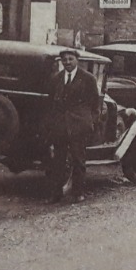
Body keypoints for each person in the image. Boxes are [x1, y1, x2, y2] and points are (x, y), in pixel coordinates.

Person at [47, 49, 101, 201]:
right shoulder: (56, 79)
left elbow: (95, 104)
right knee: (58, 160)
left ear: (77, 60)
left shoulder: (88, 79)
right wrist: (53, 123)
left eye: (71, 59)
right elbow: (51, 103)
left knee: (78, 159)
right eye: (64, 60)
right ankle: (56, 194)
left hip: (79, 126)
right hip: (60, 126)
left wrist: (91, 122)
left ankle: (78, 193)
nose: (68, 63)